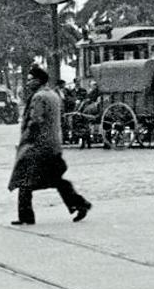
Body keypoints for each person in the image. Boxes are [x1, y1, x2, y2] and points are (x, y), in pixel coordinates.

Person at [8, 64, 91, 225]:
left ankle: (26, 216)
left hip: (37, 145)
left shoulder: (39, 97)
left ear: (38, 81)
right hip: (52, 143)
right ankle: (80, 203)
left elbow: (35, 121)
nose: (28, 83)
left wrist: (25, 140)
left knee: (25, 180)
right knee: (55, 179)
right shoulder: (53, 95)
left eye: (31, 79)